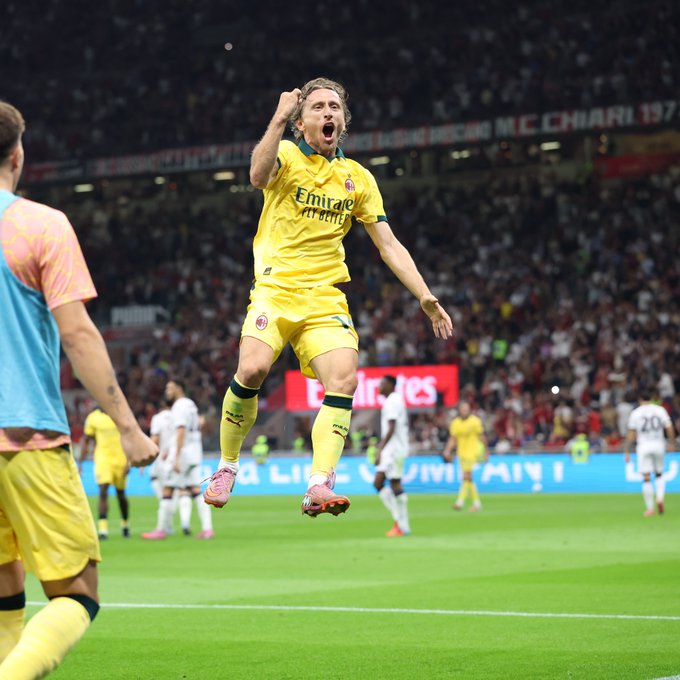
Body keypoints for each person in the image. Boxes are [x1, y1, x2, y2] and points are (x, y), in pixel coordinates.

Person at [203, 77, 452, 517]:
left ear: (344, 120)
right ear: (302, 122)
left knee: (344, 380)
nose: (328, 113)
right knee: (253, 367)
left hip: (324, 299)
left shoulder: (357, 178)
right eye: (317, 107)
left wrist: (425, 295)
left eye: (334, 107)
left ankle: (319, 483)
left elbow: (388, 244)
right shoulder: (284, 154)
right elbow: (256, 176)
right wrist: (278, 117)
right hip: (276, 291)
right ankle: (227, 465)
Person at [0, 101, 157, 680]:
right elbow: (77, 334)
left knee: (4, 591)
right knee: (78, 592)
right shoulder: (41, 225)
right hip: (26, 435)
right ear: (17, 155)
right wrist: (128, 426)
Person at [143, 380, 214, 540]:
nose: (167, 390)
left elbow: (181, 431)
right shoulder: (191, 405)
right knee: (195, 490)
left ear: (179, 388)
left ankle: (161, 529)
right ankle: (208, 529)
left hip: (182, 454)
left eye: (170, 388)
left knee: (167, 489)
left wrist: (175, 457)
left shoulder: (179, 406)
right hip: (194, 452)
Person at [80, 406, 131, 539]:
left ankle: (125, 525)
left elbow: (130, 437)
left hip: (121, 459)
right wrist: (80, 462)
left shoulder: (121, 414)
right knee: (103, 491)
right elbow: (87, 439)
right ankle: (103, 530)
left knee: (121, 495)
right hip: (103, 459)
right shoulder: (93, 418)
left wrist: (129, 461)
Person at [624, 391, 675, 516]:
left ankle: (650, 509)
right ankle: (660, 498)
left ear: (640, 399)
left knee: (646, 478)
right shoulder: (660, 410)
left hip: (643, 446)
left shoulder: (636, 413)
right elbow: (669, 427)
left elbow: (631, 434)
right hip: (658, 444)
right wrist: (672, 443)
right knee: (659, 474)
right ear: (651, 399)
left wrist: (626, 450)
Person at [373, 375, 411, 537]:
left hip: (394, 449)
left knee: (394, 483)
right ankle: (400, 522)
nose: (379, 386)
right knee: (379, 482)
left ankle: (402, 525)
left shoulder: (392, 401)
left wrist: (380, 448)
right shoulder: (393, 400)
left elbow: (392, 426)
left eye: (382, 383)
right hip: (392, 449)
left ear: (390, 385)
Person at [443, 401, 489, 512]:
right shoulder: (455, 423)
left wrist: (486, 451)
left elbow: (481, 437)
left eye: (466, 409)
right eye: (463, 409)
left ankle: (461, 502)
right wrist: (447, 450)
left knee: (466, 476)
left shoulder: (475, 421)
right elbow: (453, 439)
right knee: (467, 479)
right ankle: (474, 503)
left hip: (473, 452)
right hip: (461, 453)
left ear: (469, 410)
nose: (464, 411)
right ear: (459, 410)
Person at [148, 398, 177, 534]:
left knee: (164, 496)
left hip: (161, 461)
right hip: (177, 458)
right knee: (173, 494)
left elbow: (155, 440)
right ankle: (169, 526)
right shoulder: (178, 416)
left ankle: (161, 529)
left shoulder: (157, 418)